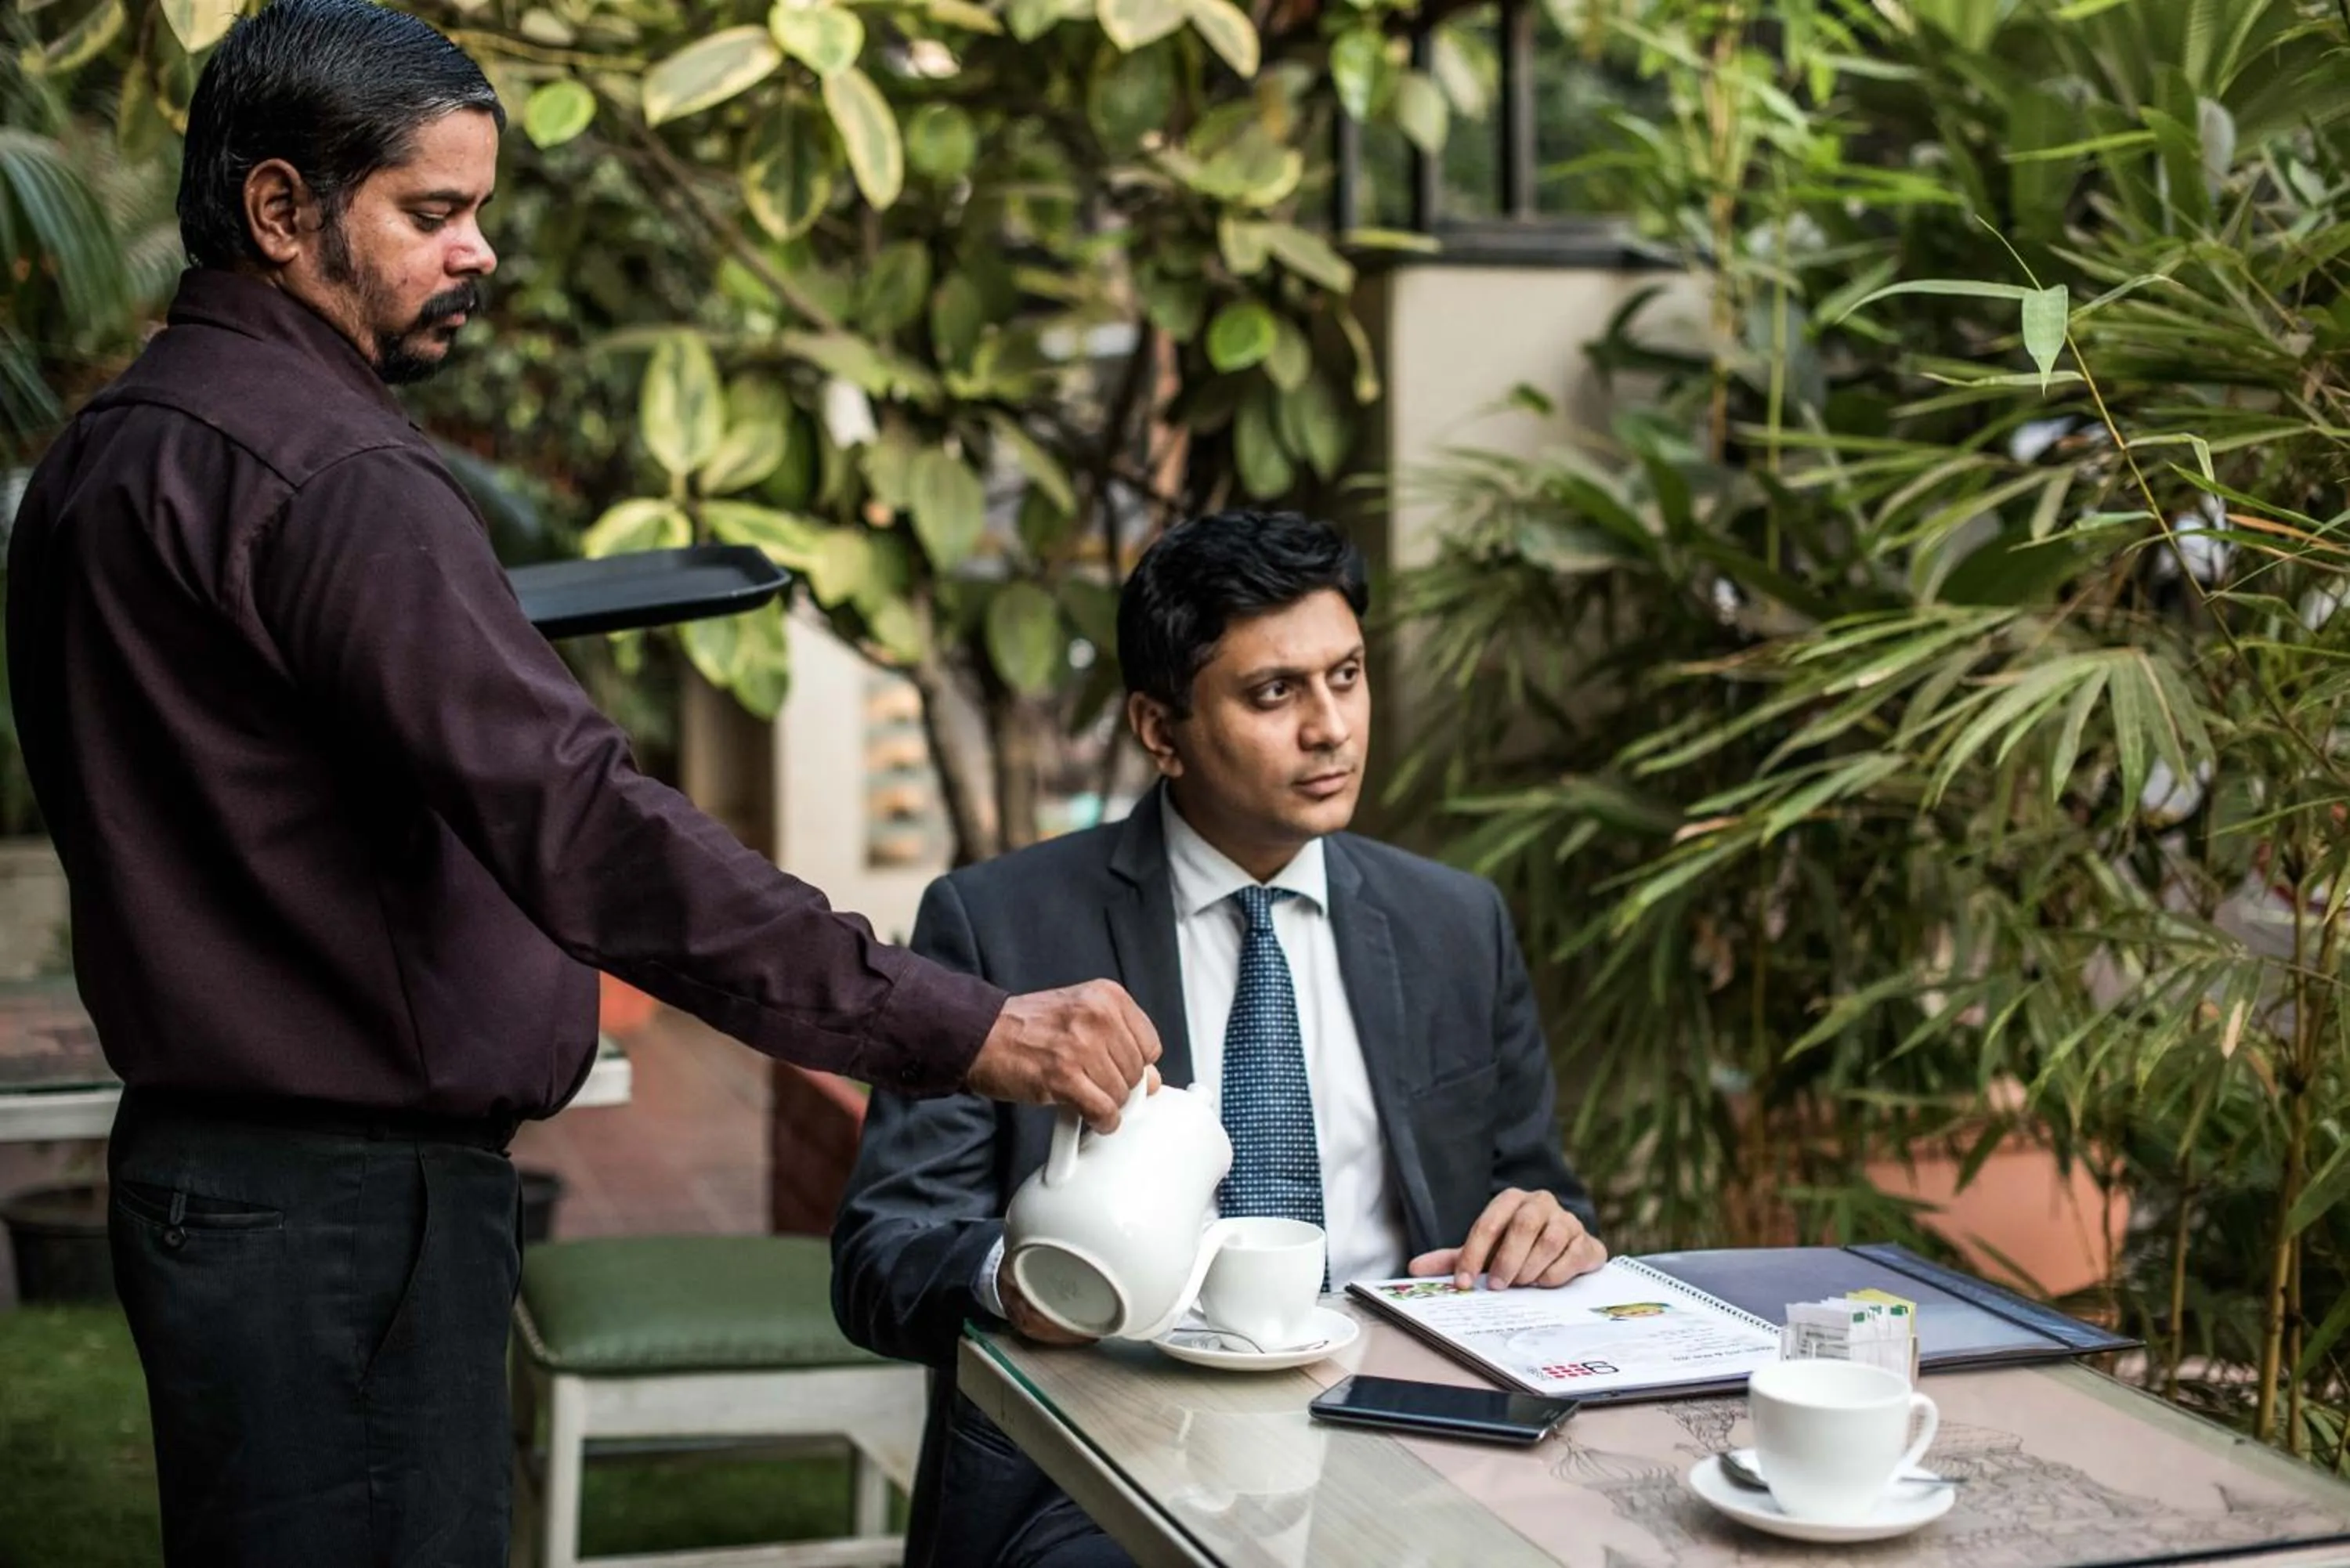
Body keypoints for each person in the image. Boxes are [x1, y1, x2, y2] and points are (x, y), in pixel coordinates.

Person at [3, 2, 1160, 1563]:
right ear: (282, 211)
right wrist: (963, 1020)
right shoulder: (347, 479)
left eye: (479, 210)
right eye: (433, 212)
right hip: (353, 1217)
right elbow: (585, 823)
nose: (478, 250)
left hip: (213, 1191)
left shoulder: (107, 452)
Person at [830, 510, 1606, 1568]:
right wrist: (1017, 1278)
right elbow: (883, 1255)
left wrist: (1547, 1230)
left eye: (1348, 675)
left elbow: (1540, 1194)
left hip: (1413, 1443)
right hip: (1099, 1461)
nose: (1331, 727)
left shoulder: (1455, 925)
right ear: (1160, 729)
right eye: (1275, 692)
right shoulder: (1001, 924)